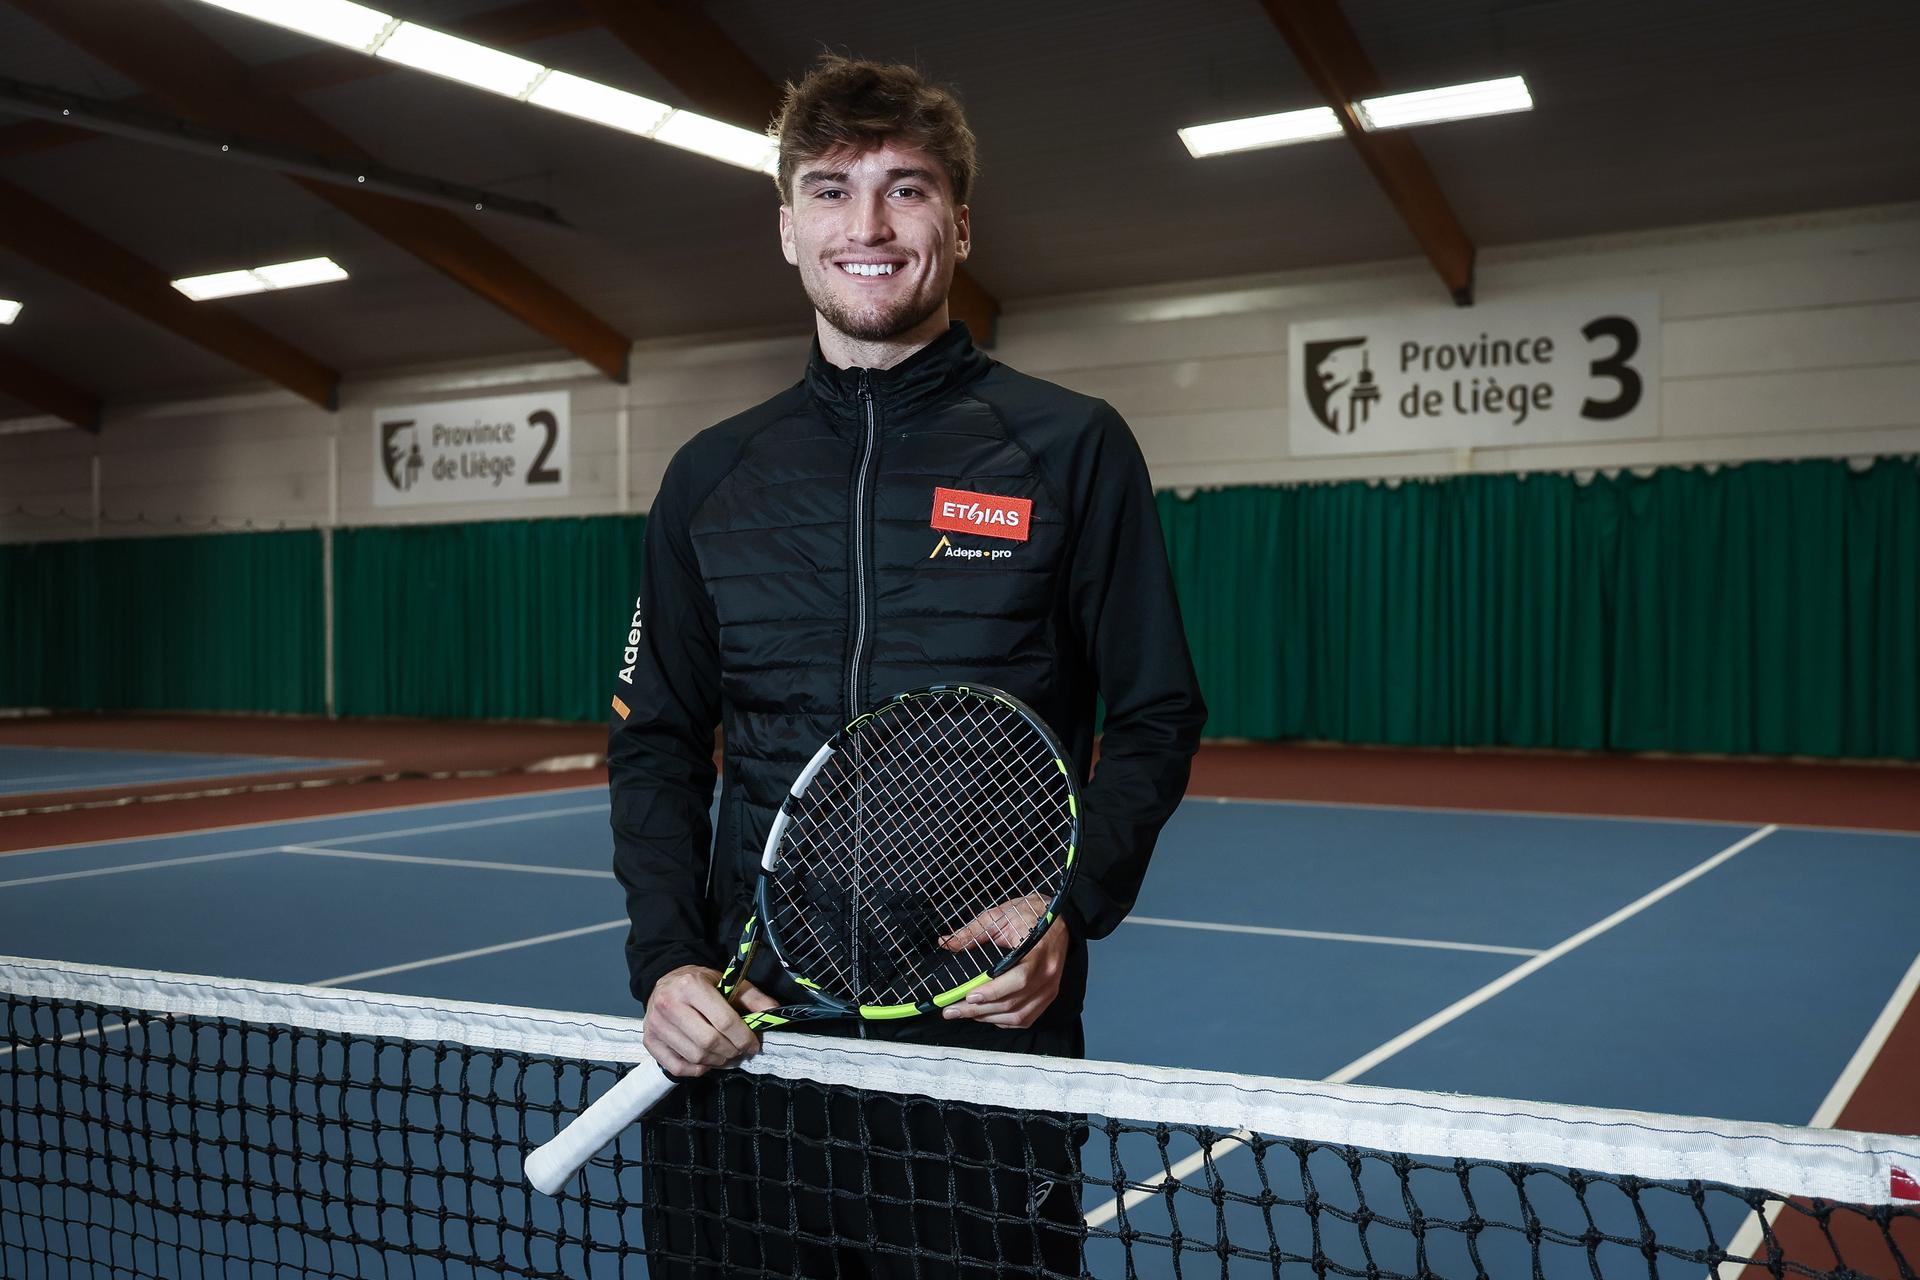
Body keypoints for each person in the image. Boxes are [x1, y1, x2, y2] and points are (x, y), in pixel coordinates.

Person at [608, 54, 1205, 1277]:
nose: (867, 227)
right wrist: (668, 957)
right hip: (754, 1036)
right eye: (830, 191)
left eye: (907, 190)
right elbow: (656, 738)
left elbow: (1154, 711)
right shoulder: (710, 477)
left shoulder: (1069, 446)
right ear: (787, 228)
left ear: (961, 221)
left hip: (985, 1041)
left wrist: (1067, 907)